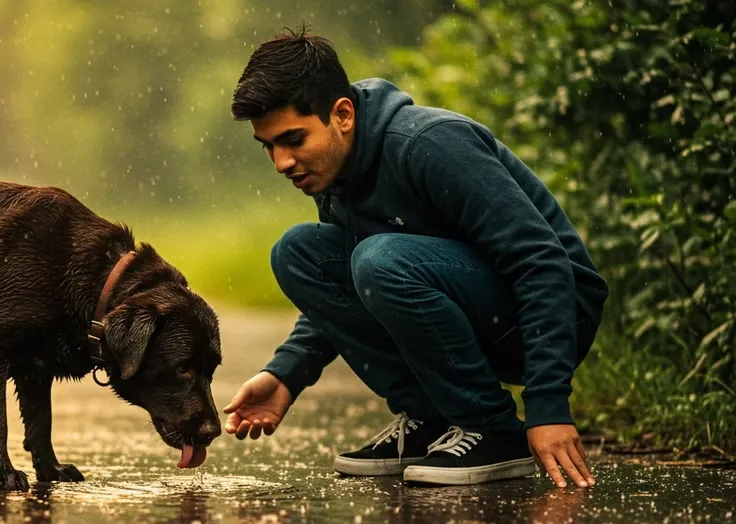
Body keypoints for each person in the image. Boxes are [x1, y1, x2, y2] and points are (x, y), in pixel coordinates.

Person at [221, 29, 609, 488]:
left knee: (379, 259)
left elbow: (540, 261)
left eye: (293, 139)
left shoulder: (430, 143)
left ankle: (494, 430)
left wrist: (548, 406)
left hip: (547, 318)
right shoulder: (334, 172)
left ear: (342, 114)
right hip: (468, 303)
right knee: (299, 252)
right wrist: (286, 374)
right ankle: (431, 420)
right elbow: (344, 284)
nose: (281, 162)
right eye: (269, 145)